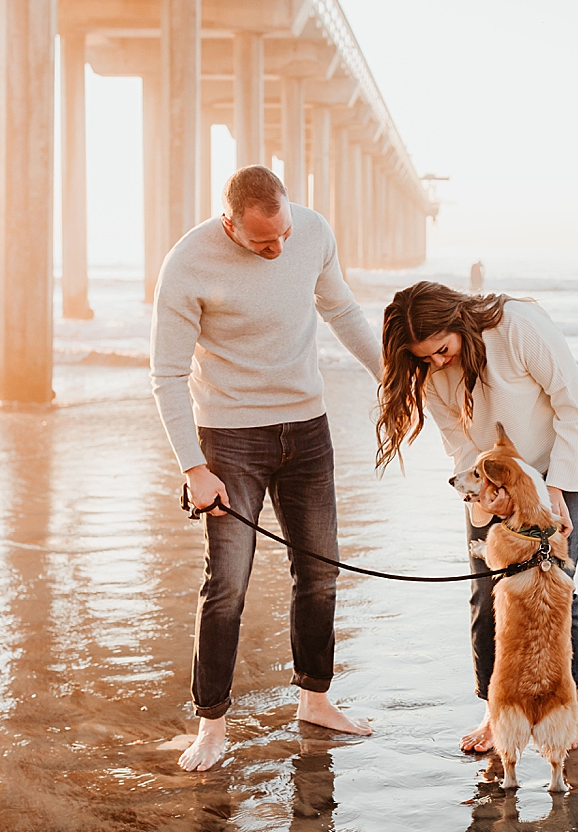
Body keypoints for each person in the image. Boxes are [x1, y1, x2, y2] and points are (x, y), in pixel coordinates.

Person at [151, 165, 380, 771]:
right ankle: (211, 726)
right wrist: (193, 467)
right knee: (227, 583)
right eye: (262, 242)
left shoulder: (311, 232)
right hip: (229, 439)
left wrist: (393, 380)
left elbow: (344, 313)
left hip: (308, 429)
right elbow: (168, 376)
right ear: (230, 223)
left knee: (322, 571)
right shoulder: (187, 264)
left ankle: (316, 699)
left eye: (282, 232)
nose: (278, 248)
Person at [375, 281, 578, 752]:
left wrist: (552, 491)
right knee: (487, 591)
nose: (436, 363)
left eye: (442, 350)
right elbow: (460, 447)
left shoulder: (516, 326)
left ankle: (573, 704)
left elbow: (575, 408)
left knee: (551, 579)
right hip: (492, 477)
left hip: (560, 460)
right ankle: (495, 711)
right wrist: (487, 499)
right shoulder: (430, 372)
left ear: (458, 322)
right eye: (424, 358)